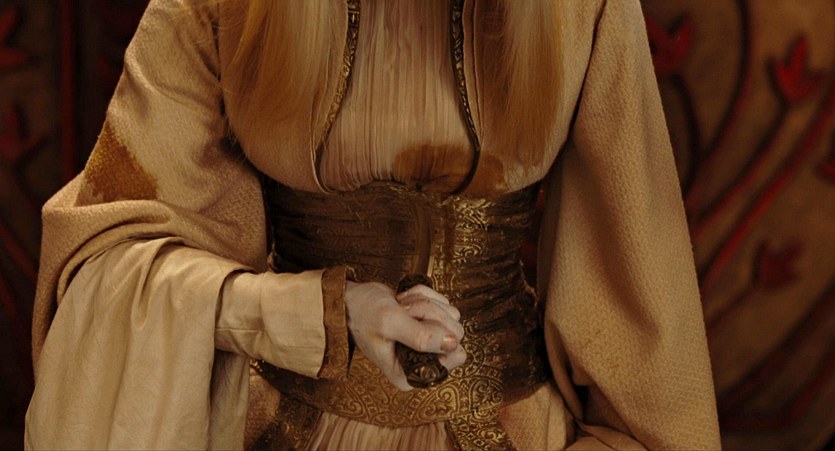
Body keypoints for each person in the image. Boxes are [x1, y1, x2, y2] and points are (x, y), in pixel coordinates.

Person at [26, 0, 721, 449]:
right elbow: (108, 259)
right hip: (273, 424)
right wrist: (317, 313)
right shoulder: (218, 7)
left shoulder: (581, 10)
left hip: (514, 427)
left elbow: (642, 312)